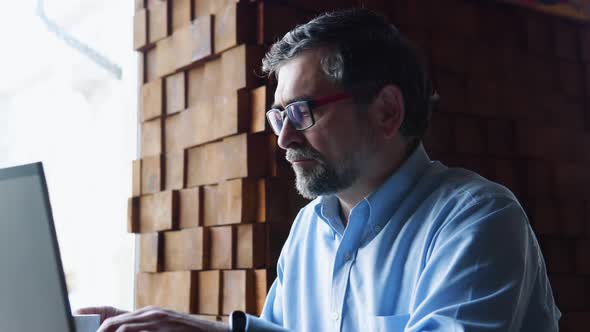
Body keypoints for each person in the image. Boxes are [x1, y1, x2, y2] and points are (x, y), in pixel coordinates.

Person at [80, 8, 561, 332]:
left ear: (387, 112)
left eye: (303, 112)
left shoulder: (478, 220)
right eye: (278, 117)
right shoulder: (310, 229)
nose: (285, 138)